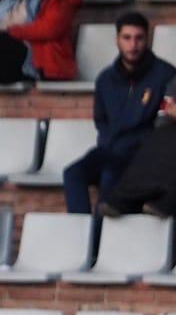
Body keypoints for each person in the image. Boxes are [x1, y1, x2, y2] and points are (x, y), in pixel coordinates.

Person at [61, 13, 176, 215]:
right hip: (110, 148)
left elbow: (163, 123)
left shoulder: (165, 74)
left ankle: (103, 236)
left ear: (147, 40)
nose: (133, 45)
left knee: (110, 176)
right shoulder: (105, 78)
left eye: (139, 38)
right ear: (117, 40)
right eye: (127, 38)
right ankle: (82, 231)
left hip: (140, 153)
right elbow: (101, 120)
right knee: (72, 173)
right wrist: (109, 142)